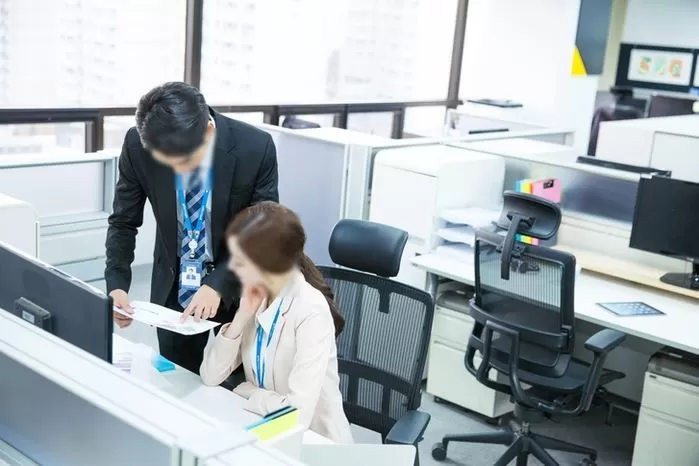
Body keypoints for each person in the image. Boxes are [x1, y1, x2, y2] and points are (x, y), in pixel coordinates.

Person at [105, 81, 279, 374]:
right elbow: (123, 220)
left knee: (235, 384)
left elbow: (261, 230)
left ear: (208, 132)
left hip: (238, 284)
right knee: (179, 382)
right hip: (174, 288)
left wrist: (218, 284)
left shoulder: (254, 148)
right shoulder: (138, 145)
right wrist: (117, 285)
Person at [199, 203, 353, 444]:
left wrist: (252, 394)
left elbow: (297, 417)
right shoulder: (253, 295)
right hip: (263, 430)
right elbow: (210, 375)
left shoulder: (310, 309)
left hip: (312, 445)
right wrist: (241, 318)